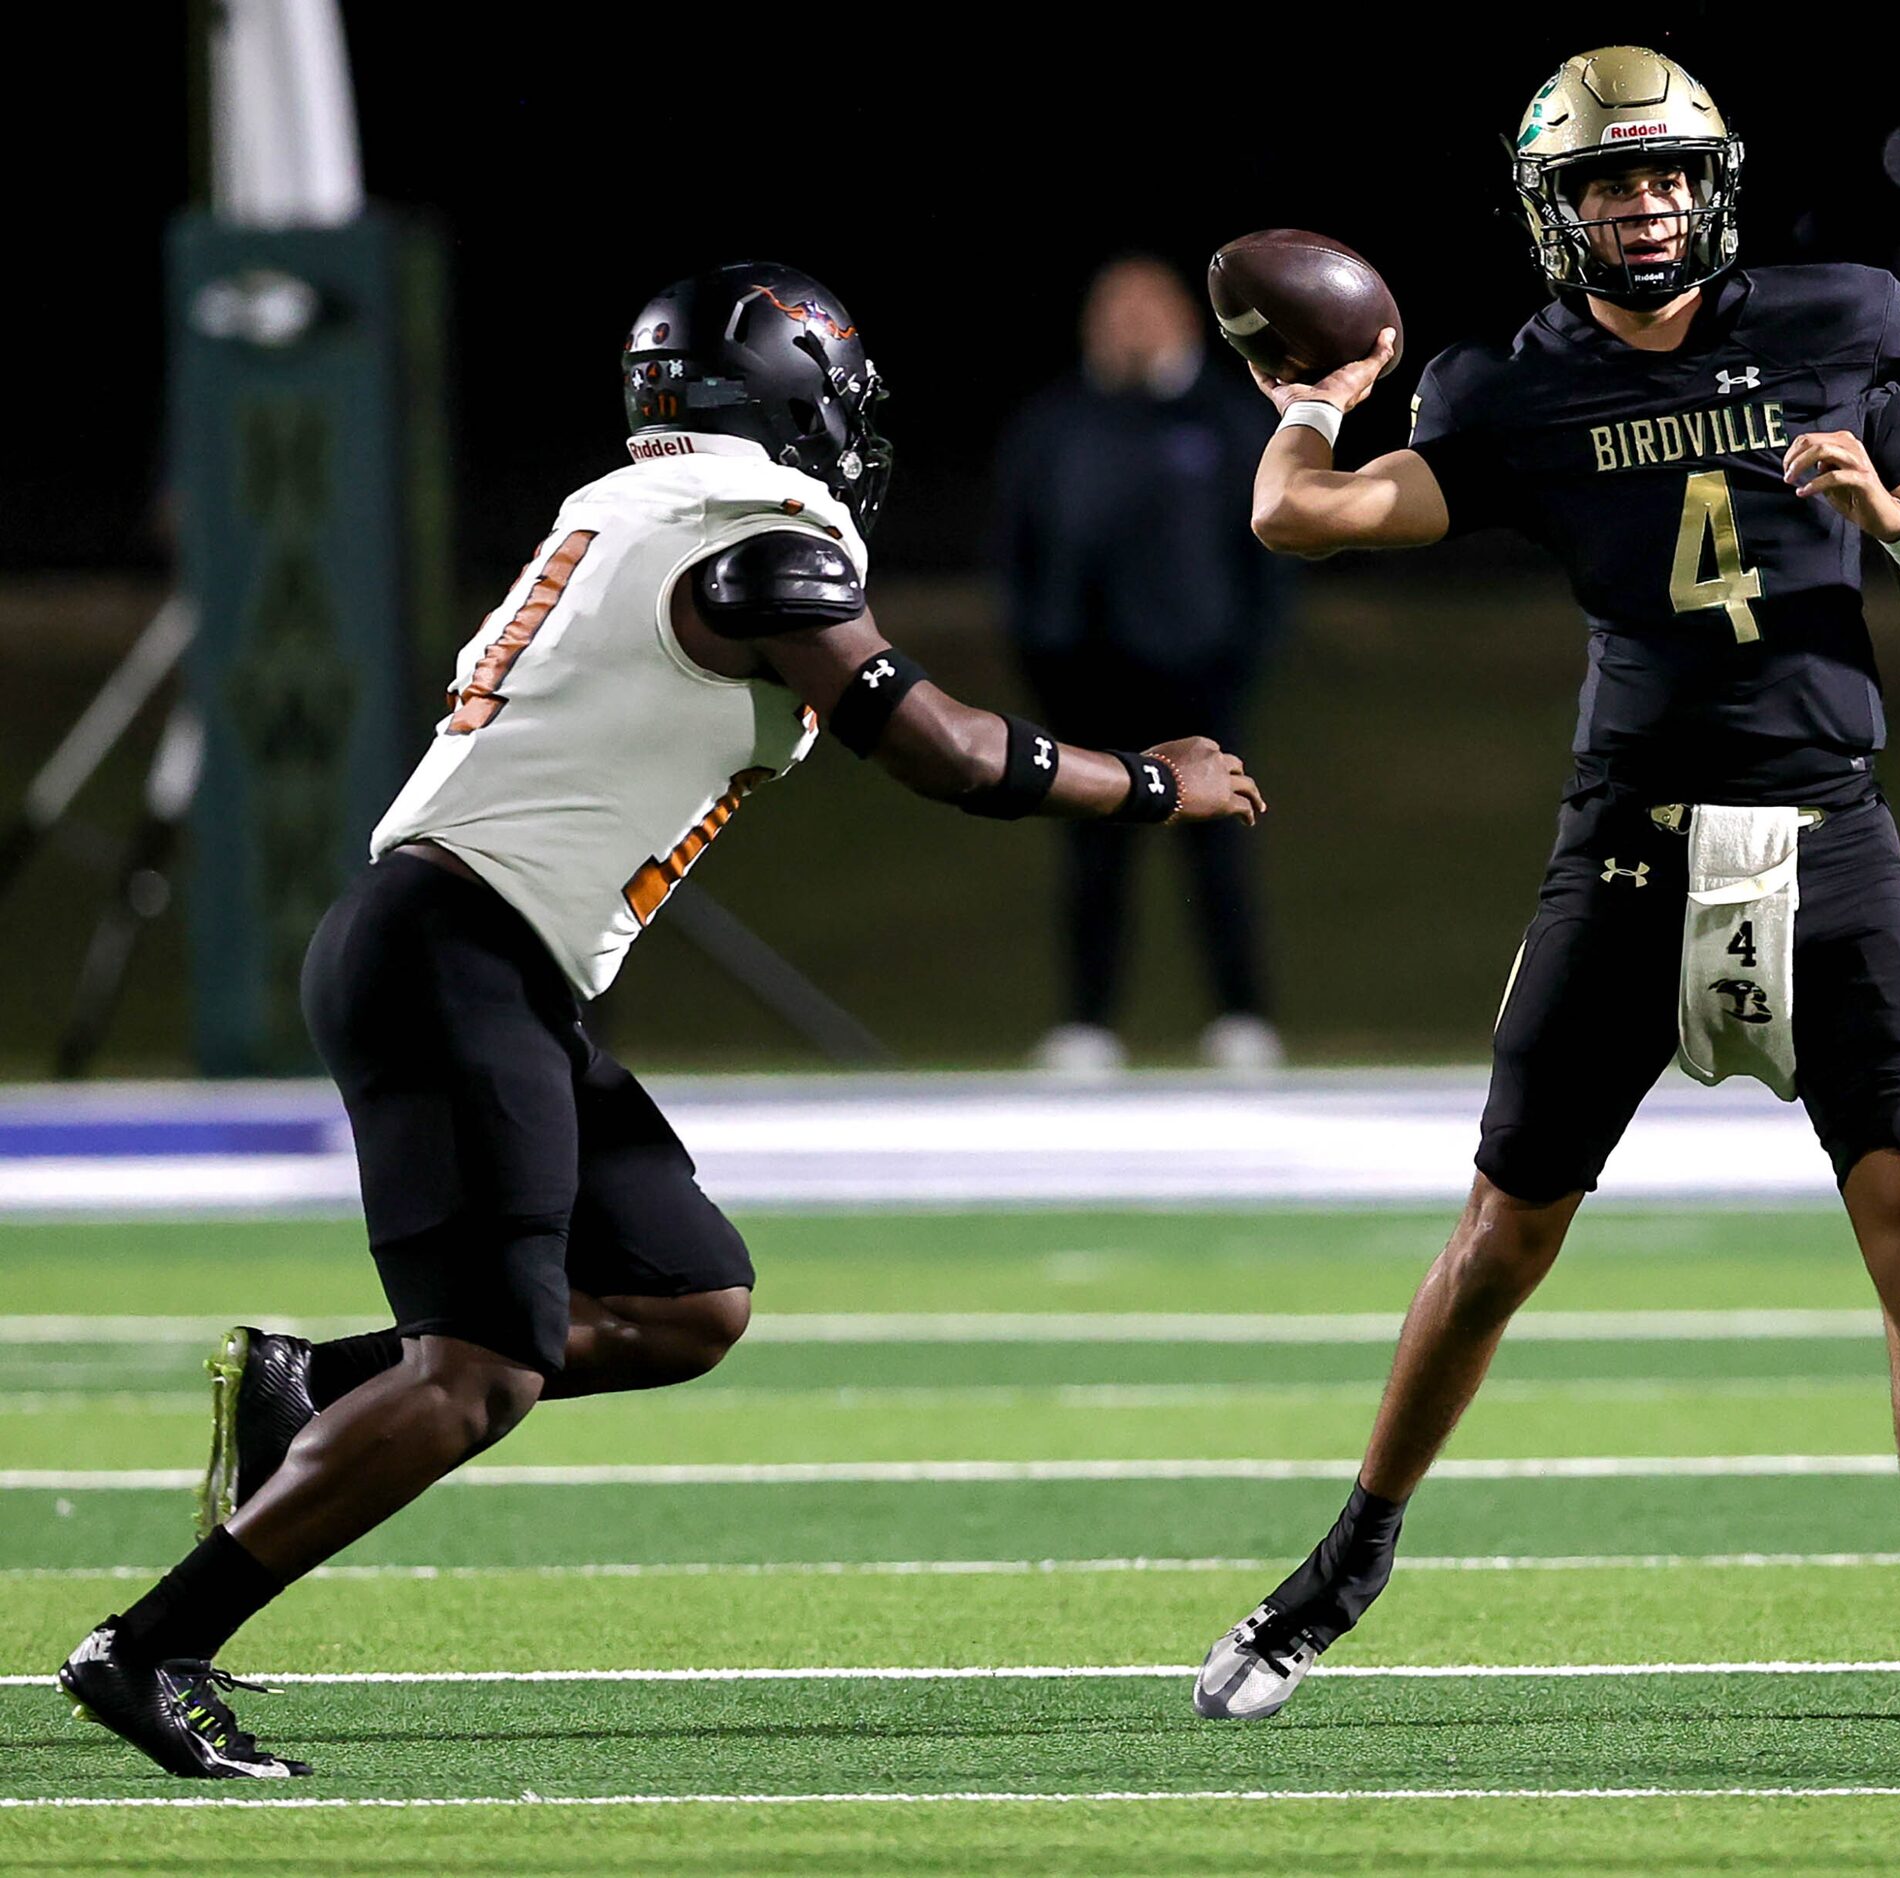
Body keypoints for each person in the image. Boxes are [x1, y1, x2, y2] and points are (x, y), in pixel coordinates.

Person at [57, 261, 1264, 1779]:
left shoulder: (638, 511)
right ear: (786, 397)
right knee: (479, 1371)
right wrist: (1151, 780)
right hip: (456, 950)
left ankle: (321, 1384)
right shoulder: (752, 544)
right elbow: (946, 753)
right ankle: (151, 1642)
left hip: (487, 952)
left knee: (682, 1299)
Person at [1193, 46, 1900, 1726]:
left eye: (1656, 174)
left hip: (1826, 829)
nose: (1635, 204)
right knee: (1503, 1228)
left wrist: (1888, 518)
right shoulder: (1510, 387)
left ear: (1708, 182)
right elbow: (1300, 520)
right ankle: (1344, 1560)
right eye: (1600, 181)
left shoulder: (1833, 327)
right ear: (1552, 207)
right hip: (1633, 839)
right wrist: (1308, 400)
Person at [993, 256, 1292, 1076]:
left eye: (1144, 310)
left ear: (1185, 321)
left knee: (1221, 849)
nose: (1128, 327)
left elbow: (1269, 556)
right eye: (1112, 309)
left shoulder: (1226, 422)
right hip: (1087, 681)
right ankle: (1087, 1024)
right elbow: (1017, 552)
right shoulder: (1055, 424)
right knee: (1092, 856)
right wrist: (1041, 650)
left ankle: (1242, 1017)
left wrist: (1241, 656)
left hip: (1200, 681)